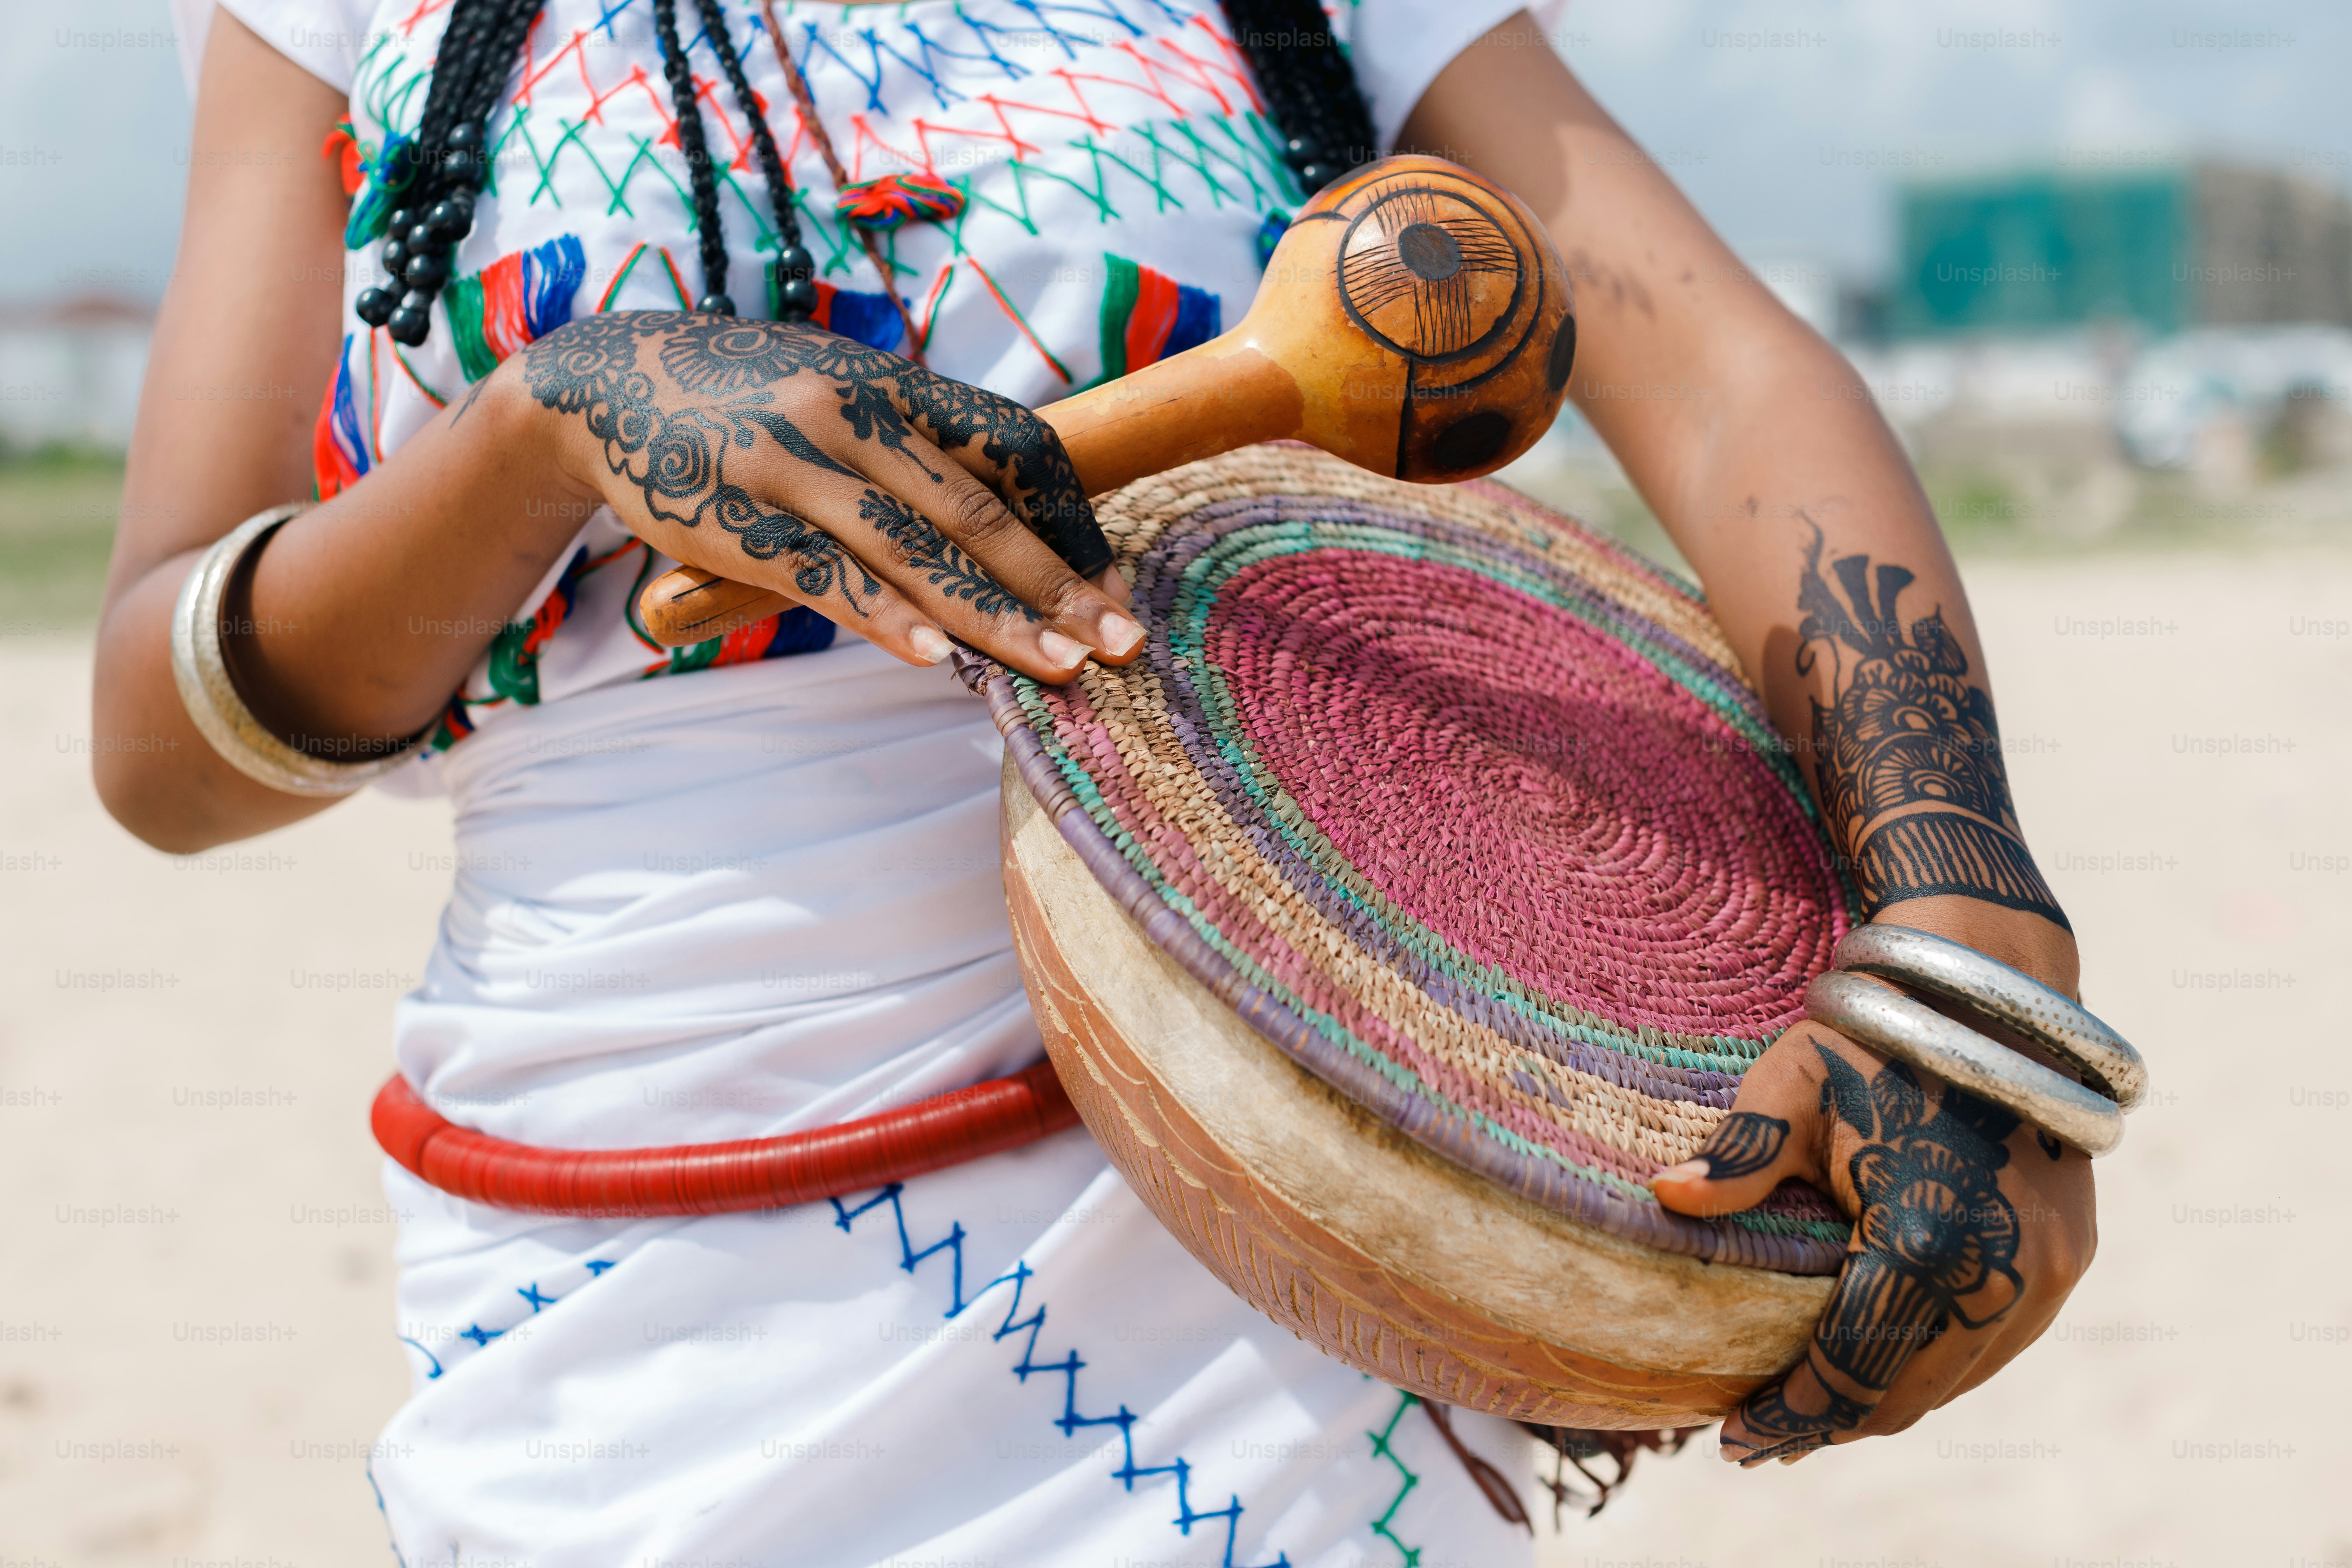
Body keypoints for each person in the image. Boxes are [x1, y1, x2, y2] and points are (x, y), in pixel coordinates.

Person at [100, 0, 2096, 1558]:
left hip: (1286, 1160)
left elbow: (1731, 380)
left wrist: (1965, 948)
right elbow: (159, 748)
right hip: (638, 1249)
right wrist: (543, 429)